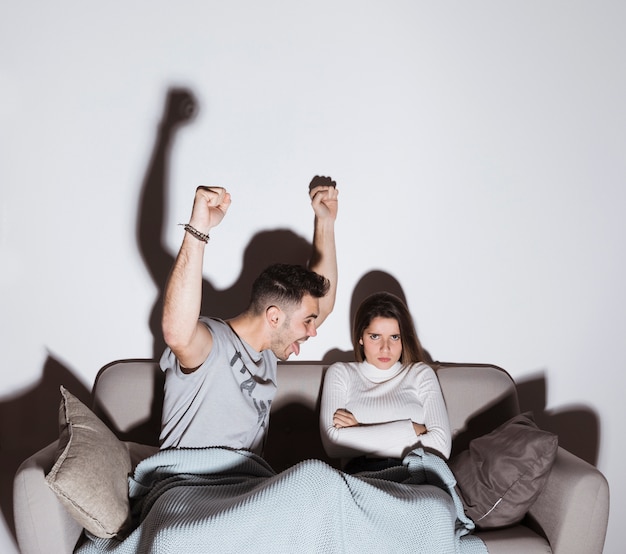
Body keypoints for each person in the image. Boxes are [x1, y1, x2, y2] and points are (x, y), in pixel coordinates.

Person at [159, 179, 339, 455]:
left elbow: (322, 305)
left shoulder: (266, 353)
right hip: (187, 486)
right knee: (318, 477)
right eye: (307, 322)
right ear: (275, 318)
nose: (313, 331)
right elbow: (176, 333)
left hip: (243, 487)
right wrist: (199, 230)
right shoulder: (213, 343)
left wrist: (325, 222)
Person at [320, 291, 451, 473]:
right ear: (360, 337)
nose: (385, 348)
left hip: (416, 475)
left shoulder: (420, 373)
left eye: (394, 337)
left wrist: (359, 430)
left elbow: (441, 446)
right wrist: (412, 428)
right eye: (375, 336)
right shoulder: (341, 373)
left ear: (404, 338)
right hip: (361, 480)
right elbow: (333, 444)